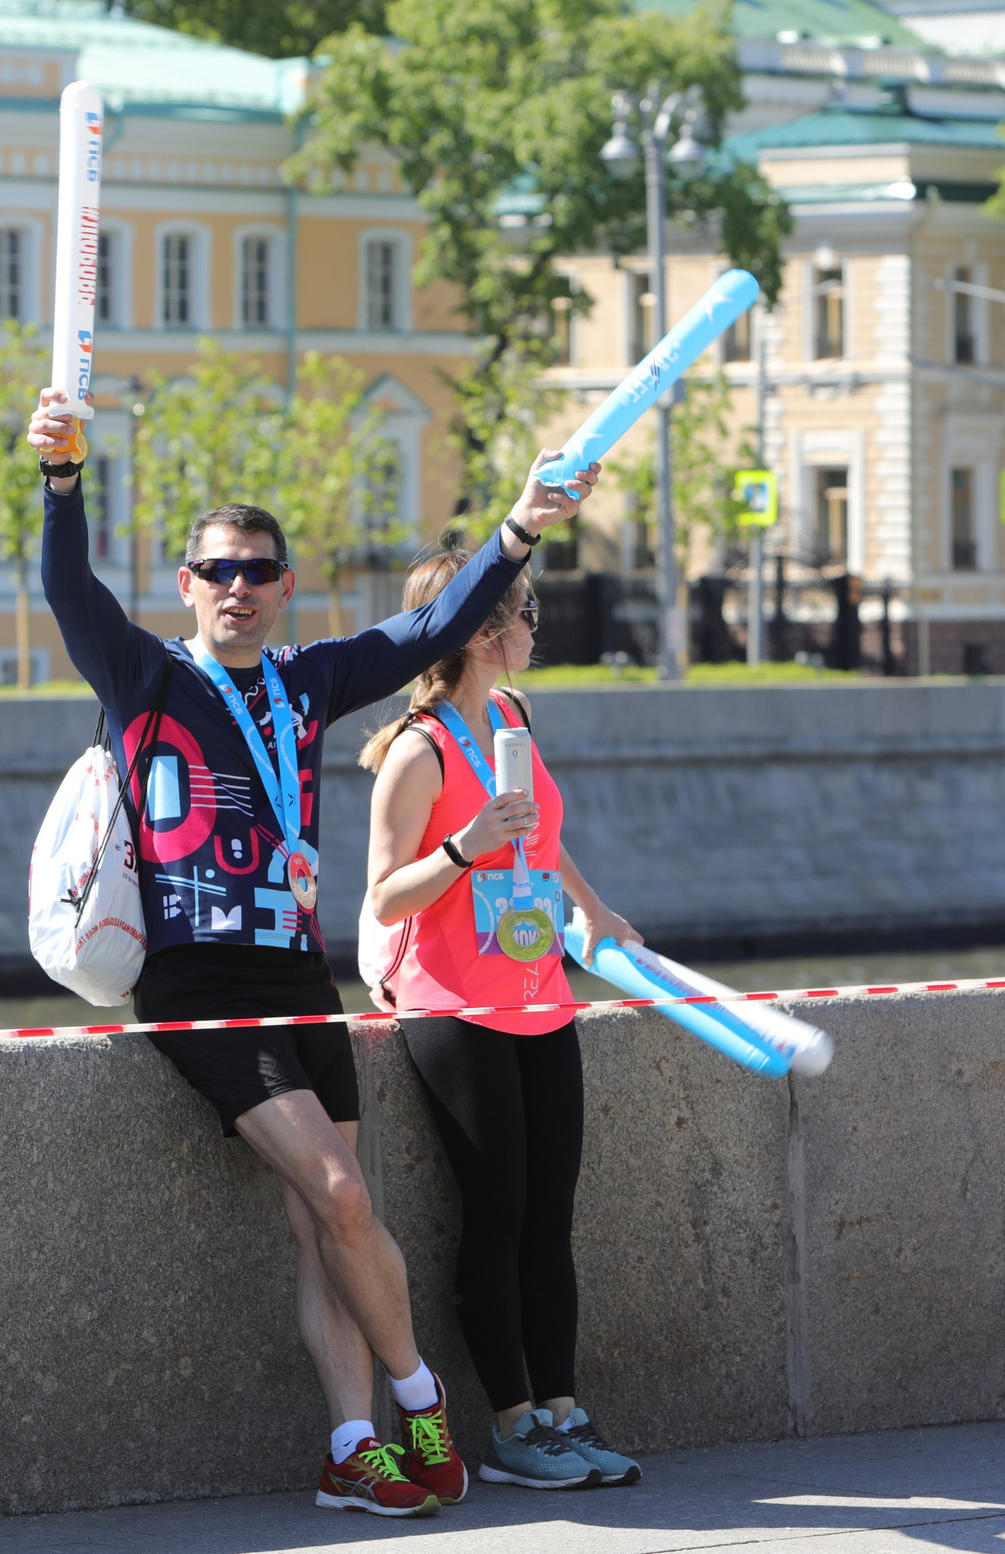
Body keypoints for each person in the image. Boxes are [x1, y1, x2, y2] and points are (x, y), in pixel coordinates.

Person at [28, 395, 601, 1517]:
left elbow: (429, 635)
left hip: (299, 975)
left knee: (321, 1223)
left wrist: (519, 530)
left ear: (285, 587)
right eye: (215, 570)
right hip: (197, 985)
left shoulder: (305, 681)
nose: (235, 586)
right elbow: (68, 588)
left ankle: (351, 1448)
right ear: (184, 584)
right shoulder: (144, 679)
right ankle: (421, 1401)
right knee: (341, 1192)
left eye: (256, 570)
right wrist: (61, 485)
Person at [357, 549, 647, 1491]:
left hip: (538, 993)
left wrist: (591, 907)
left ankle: (564, 1411)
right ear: (481, 628)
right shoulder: (420, 748)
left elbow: (542, 837)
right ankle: (514, 1425)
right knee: (499, 1210)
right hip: (457, 1007)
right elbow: (386, 896)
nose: (533, 626)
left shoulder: (515, 717)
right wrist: (461, 846)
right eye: (523, 610)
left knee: (550, 1213)